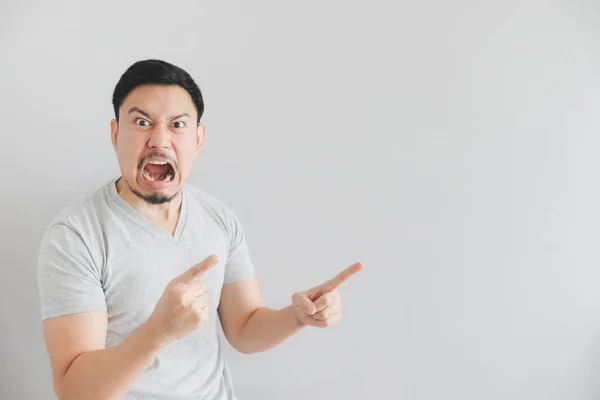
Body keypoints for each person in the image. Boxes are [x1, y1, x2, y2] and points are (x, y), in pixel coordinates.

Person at [36, 59, 364, 400]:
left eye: (177, 124)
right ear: (116, 133)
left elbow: (244, 327)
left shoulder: (218, 218)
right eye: (142, 122)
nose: (159, 141)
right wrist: (158, 332)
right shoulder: (75, 236)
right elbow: (73, 391)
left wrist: (297, 316)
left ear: (198, 137)